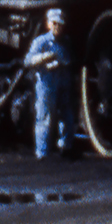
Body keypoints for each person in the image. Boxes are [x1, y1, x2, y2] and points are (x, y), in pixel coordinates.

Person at [24, 8, 76, 159]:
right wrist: (44, 58)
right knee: (44, 116)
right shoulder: (41, 41)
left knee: (66, 115)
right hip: (46, 82)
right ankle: (42, 151)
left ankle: (66, 145)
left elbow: (71, 59)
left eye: (60, 24)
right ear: (48, 24)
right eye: (54, 23)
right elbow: (28, 60)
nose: (57, 27)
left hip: (63, 80)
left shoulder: (66, 42)